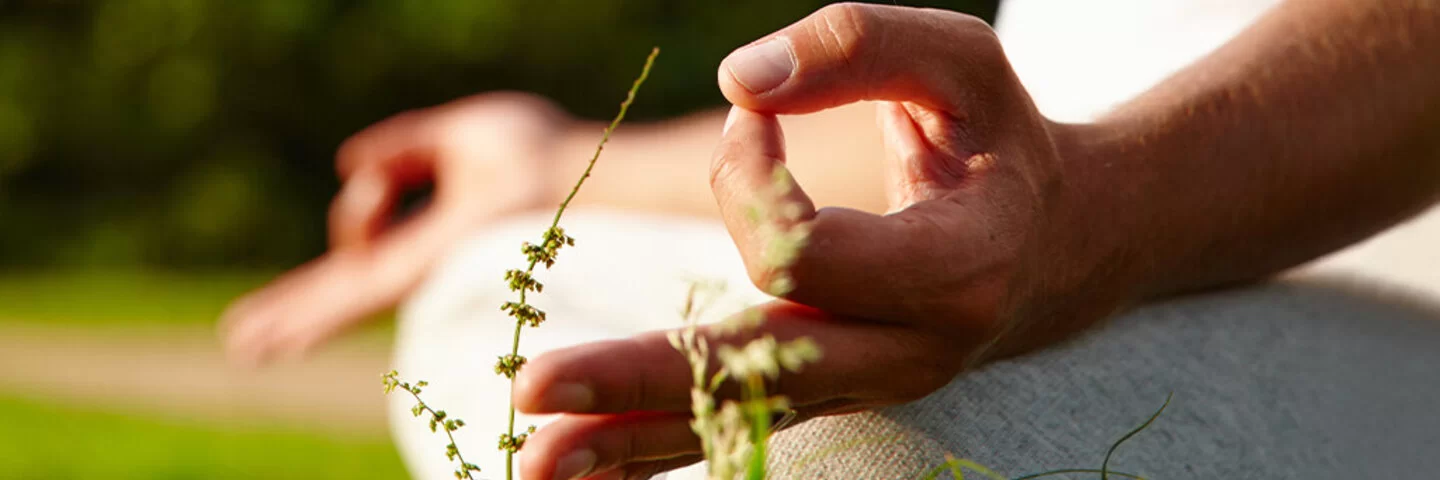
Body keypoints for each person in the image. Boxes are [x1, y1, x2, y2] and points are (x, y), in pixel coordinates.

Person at [221, 1, 1440, 478]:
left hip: (1381, 283)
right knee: (496, 292)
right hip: (1084, 213)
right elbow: (995, 142)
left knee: (857, 451)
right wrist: (549, 163)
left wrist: (1098, 215)